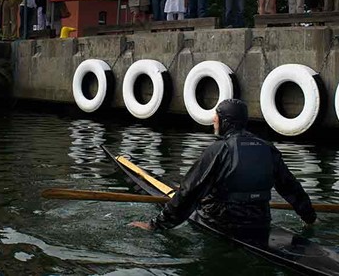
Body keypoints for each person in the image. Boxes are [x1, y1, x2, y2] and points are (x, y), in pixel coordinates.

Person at [130, 99, 317, 233]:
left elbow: (189, 192)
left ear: (226, 122)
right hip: (260, 222)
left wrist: (155, 225)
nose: (213, 120)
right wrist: (309, 218)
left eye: (216, 117)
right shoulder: (267, 148)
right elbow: (291, 187)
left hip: (223, 222)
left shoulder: (218, 150)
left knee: (198, 197)